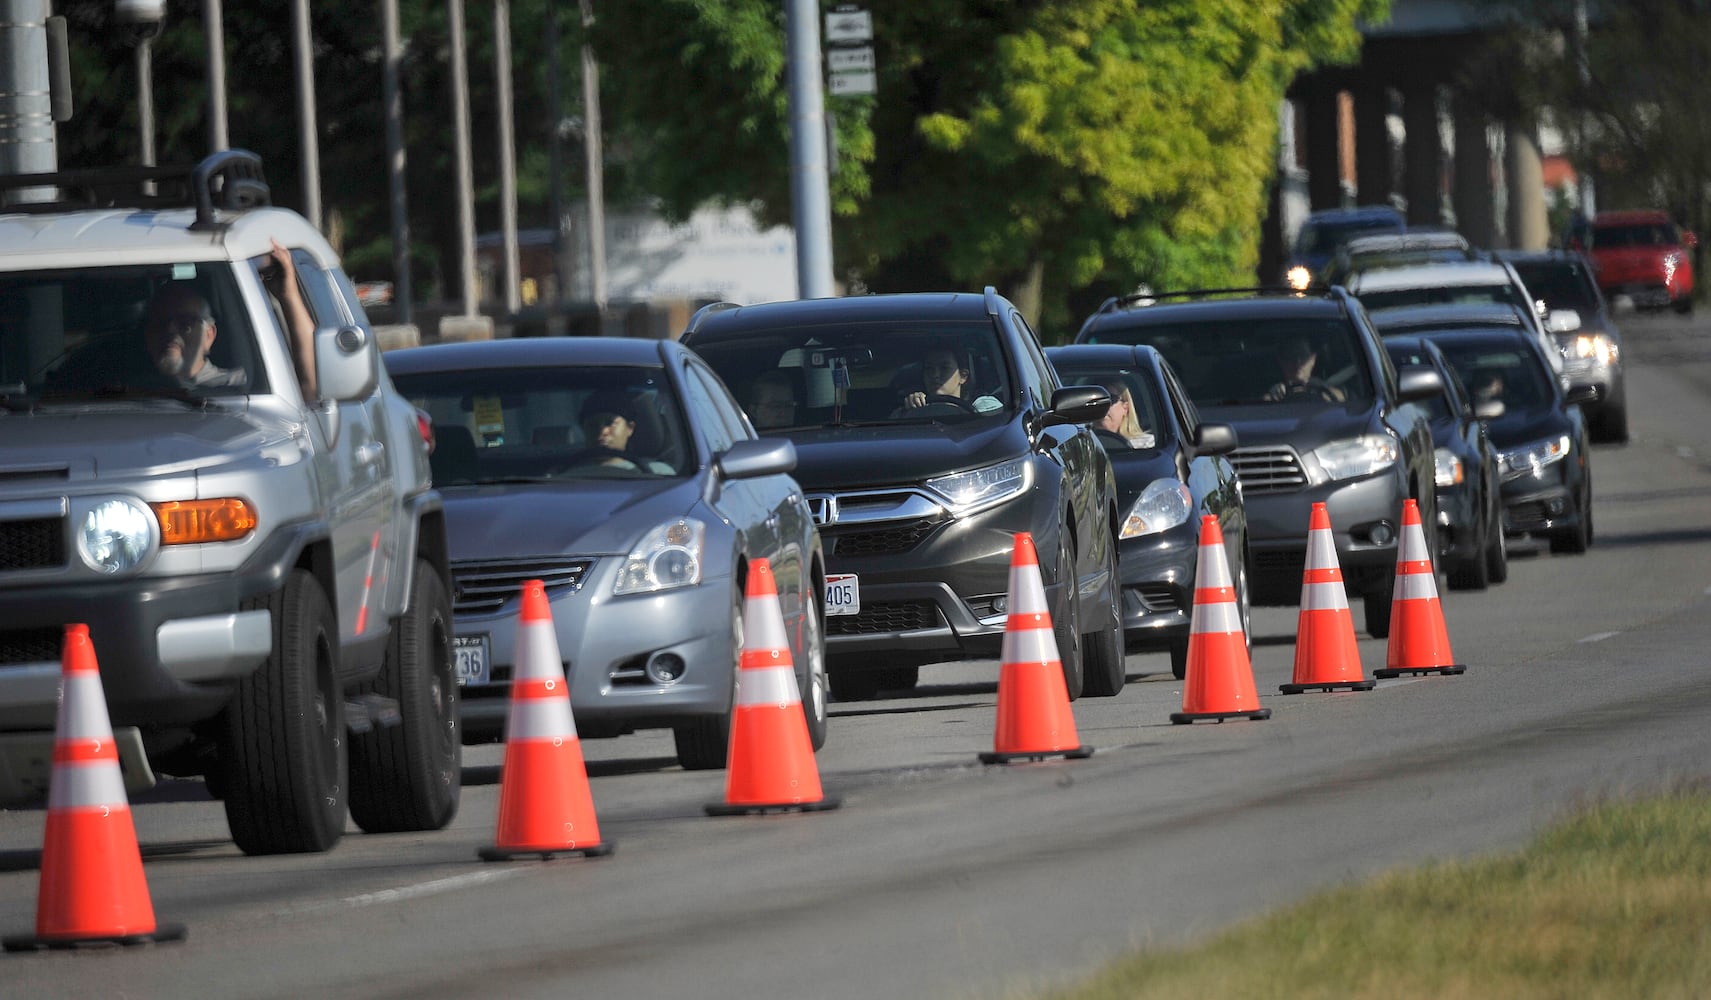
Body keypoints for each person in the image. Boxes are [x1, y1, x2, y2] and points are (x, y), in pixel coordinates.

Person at [142, 282, 246, 388]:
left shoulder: (238, 385)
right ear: (148, 335)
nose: (170, 330)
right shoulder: (133, 393)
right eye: (160, 323)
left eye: (184, 323)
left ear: (209, 335)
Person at [577, 391, 672, 473]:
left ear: (630, 428)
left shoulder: (658, 473)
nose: (602, 431)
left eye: (610, 423)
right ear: (584, 430)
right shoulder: (568, 476)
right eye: (592, 425)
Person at [894, 347, 1001, 415]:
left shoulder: (983, 406)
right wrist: (910, 410)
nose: (935, 375)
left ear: (963, 376)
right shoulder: (909, 408)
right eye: (929, 369)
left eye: (944, 368)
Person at [1263, 337, 1344, 402]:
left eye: (1303, 355)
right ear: (1281, 361)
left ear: (1313, 359)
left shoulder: (1328, 390)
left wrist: (1327, 393)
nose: (1298, 362)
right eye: (1291, 356)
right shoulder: (1271, 397)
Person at [1092, 378, 1152, 449]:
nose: (1103, 405)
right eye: (1096, 400)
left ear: (1125, 407)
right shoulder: (1081, 445)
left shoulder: (1146, 445)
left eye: (1111, 399)